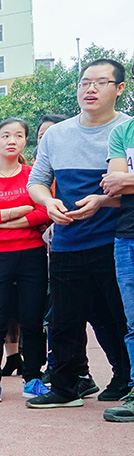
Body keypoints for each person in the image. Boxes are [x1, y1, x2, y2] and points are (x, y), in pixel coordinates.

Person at [26, 59, 132, 408]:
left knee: (115, 316)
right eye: (84, 82)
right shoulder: (57, 134)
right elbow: (36, 182)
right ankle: (66, 386)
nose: (89, 89)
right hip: (68, 240)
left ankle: (124, 379)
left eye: (100, 82)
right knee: (64, 319)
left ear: (119, 89)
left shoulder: (127, 131)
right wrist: (49, 204)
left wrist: (102, 201)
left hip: (114, 240)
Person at [0, 118, 51, 402]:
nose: (11, 140)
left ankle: (33, 378)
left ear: (25, 141)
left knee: (32, 318)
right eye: (5, 135)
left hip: (31, 254)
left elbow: (44, 210)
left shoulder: (34, 174)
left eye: (18, 135)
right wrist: (20, 210)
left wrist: (2, 220)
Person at [101, 99, 134, 421]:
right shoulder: (123, 131)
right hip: (126, 234)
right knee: (133, 321)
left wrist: (128, 180)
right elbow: (115, 182)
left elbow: (124, 181)